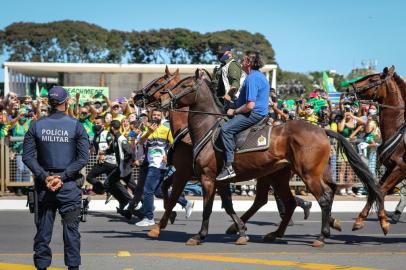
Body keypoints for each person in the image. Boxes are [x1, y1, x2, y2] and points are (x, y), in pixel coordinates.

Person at [22, 86, 89, 270]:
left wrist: (46, 177)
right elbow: (83, 158)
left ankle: (42, 267)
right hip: (68, 186)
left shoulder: (36, 125)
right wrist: (62, 176)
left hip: (45, 186)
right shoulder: (77, 126)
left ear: (48, 103)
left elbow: (27, 157)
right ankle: (73, 268)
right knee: (71, 232)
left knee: (43, 232)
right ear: (66, 102)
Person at [135, 109, 194, 226]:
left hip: (159, 164)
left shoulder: (166, 130)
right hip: (151, 163)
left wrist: (168, 156)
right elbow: (140, 142)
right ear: (151, 116)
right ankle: (185, 203)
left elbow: (173, 145)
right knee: (158, 191)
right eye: (154, 115)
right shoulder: (146, 129)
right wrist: (149, 132)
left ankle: (149, 218)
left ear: (161, 117)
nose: (156, 117)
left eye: (158, 115)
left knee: (147, 190)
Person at [217, 52, 270, 181]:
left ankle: (229, 167)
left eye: (244, 59)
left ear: (249, 63)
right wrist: (231, 103)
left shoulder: (252, 78)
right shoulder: (257, 76)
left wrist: (234, 112)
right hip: (255, 112)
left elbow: (250, 105)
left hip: (253, 114)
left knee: (226, 129)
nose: (241, 61)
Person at [108, 120, 137, 219]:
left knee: (110, 182)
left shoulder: (121, 138)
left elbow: (130, 152)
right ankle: (132, 202)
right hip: (121, 168)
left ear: (112, 128)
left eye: (109, 127)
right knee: (132, 186)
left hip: (124, 168)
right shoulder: (116, 139)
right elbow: (112, 149)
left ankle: (128, 201)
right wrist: (104, 152)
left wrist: (126, 164)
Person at [86, 115, 117, 195]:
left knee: (90, 177)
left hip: (106, 161)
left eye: (98, 123)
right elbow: (95, 148)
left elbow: (112, 145)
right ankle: (113, 193)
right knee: (113, 182)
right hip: (104, 161)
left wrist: (104, 154)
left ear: (103, 124)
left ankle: (103, 189)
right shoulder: (96, 135)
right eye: (95, 123)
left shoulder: (107, 134)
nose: (96, 125)